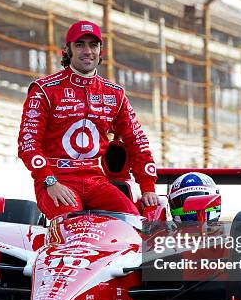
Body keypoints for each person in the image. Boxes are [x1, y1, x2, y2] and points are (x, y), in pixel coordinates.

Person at [17, 20, 159, 220]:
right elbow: (28, 144)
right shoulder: (44, 90)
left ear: (101, 50)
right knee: (74, 226)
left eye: (93, 45)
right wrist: (49, 181)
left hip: (96, 181)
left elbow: (136, 141)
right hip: (56, 180)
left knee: (132, 224)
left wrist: (147, 187)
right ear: (67, 50)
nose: (87, 51)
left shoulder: (114, 93)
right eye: (80, 44)